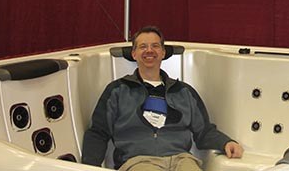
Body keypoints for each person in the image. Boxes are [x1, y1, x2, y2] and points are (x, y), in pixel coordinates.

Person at [82, 26, 244, 170]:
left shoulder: (184, 92)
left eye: (155, 46)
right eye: (143, 46)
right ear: (134, 53)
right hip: (138, 161)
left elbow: (204, 131)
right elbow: (98, 132)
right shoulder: (117, 91)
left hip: (181, 159)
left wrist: (226, 142)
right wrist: (89, 167)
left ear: (163, 52)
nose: (149, 50)